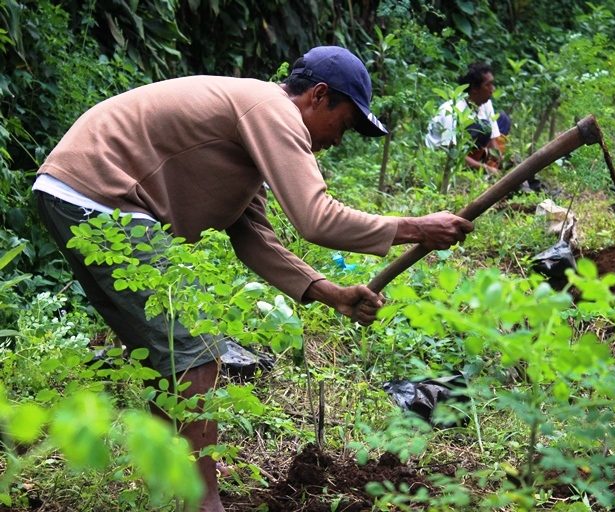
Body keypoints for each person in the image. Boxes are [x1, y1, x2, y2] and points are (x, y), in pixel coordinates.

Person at [33, 46, 473, 512]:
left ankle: (170, 494)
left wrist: (331, 293)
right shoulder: (272, 109)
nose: (339, 140)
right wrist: (415, 227)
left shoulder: (249, 126)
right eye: (342, 124)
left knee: (172, 356)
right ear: (319, 96)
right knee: (195, 357)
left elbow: (254, 238)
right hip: (100, 195)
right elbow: (316, 219)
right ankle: (202, 506)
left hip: (81, 194)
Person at [425, 61, 503, 174]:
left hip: (468, 153)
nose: (493, 89)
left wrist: (501, 162)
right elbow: (450, 154)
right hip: (442, 159)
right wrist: (486, 169)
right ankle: (472, 168)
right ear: (475, 89)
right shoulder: (450, 111)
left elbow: (492, 141)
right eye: (488, 85)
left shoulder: (486, 104)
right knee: (478, 127)